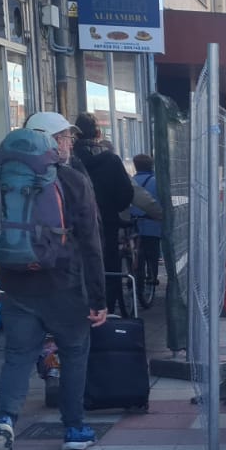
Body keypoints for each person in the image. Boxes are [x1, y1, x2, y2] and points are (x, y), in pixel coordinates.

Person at [0, 112, 107, 450]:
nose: (69, 143)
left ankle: (4, 420)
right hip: (64, 284)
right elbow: (91, 243)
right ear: (49, 140)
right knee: (74, 353)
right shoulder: (72, 180)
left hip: (15, 282)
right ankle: (74, 428)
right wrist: (98, 298)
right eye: (65, 137)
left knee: (18, 356)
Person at [71, 113, 135, 314]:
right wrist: (113, 208)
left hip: (74, 226)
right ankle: (108, 308)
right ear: (98, 133)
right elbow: (126, 193)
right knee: (109, 265)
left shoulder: (69, 160)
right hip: (107, 222)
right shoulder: (111, 160)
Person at [131, 154, 162, 286]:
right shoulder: (157, 182)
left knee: (136, 252)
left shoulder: (130, 180)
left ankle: (134, 275)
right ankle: (153, 276)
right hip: (152, 224)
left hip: (133, 224)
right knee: (153, 251)